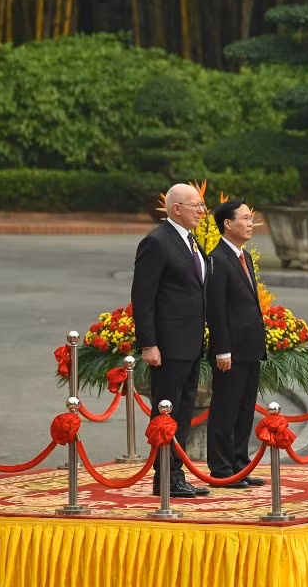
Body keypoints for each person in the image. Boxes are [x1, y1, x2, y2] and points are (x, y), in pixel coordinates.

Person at [131, 183, 211, 498]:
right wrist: (148, 343)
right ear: (176, 208)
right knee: (166, 411)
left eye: (203, 206)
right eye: (196, 205)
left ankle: (176, 472)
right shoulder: (157, 242)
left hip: (190, 344)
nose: (202, 212)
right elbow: (143, 296)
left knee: (184, 409)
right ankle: (164, 477)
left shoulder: (192, 242)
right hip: (167, 345)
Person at [206, 198, 266, 488]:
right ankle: (221, 468)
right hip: (230, 349)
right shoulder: (217, 259)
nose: (250, 223)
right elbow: (216, 309)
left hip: (250, 346)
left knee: (245, 409)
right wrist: (222, 349)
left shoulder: (245, 257)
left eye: (250, 218)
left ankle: (240, 464)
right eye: (243, 218)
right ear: (227, 224)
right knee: (225, 409)